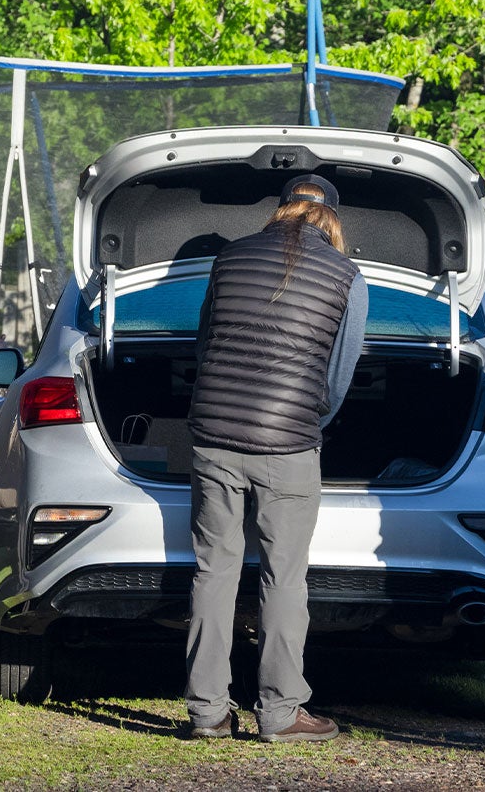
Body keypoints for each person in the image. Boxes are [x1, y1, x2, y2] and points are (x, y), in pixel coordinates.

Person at [182, 175, 367, 743]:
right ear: (331, 219)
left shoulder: (230, 257)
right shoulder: (346, 277)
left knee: (214, 570)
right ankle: (281, 714)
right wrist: (309, 422)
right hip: (288, 444)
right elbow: (339, 374)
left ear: (283, 210)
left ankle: (207, 713)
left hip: (214, 435)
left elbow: (204, 342)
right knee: (284, 576)